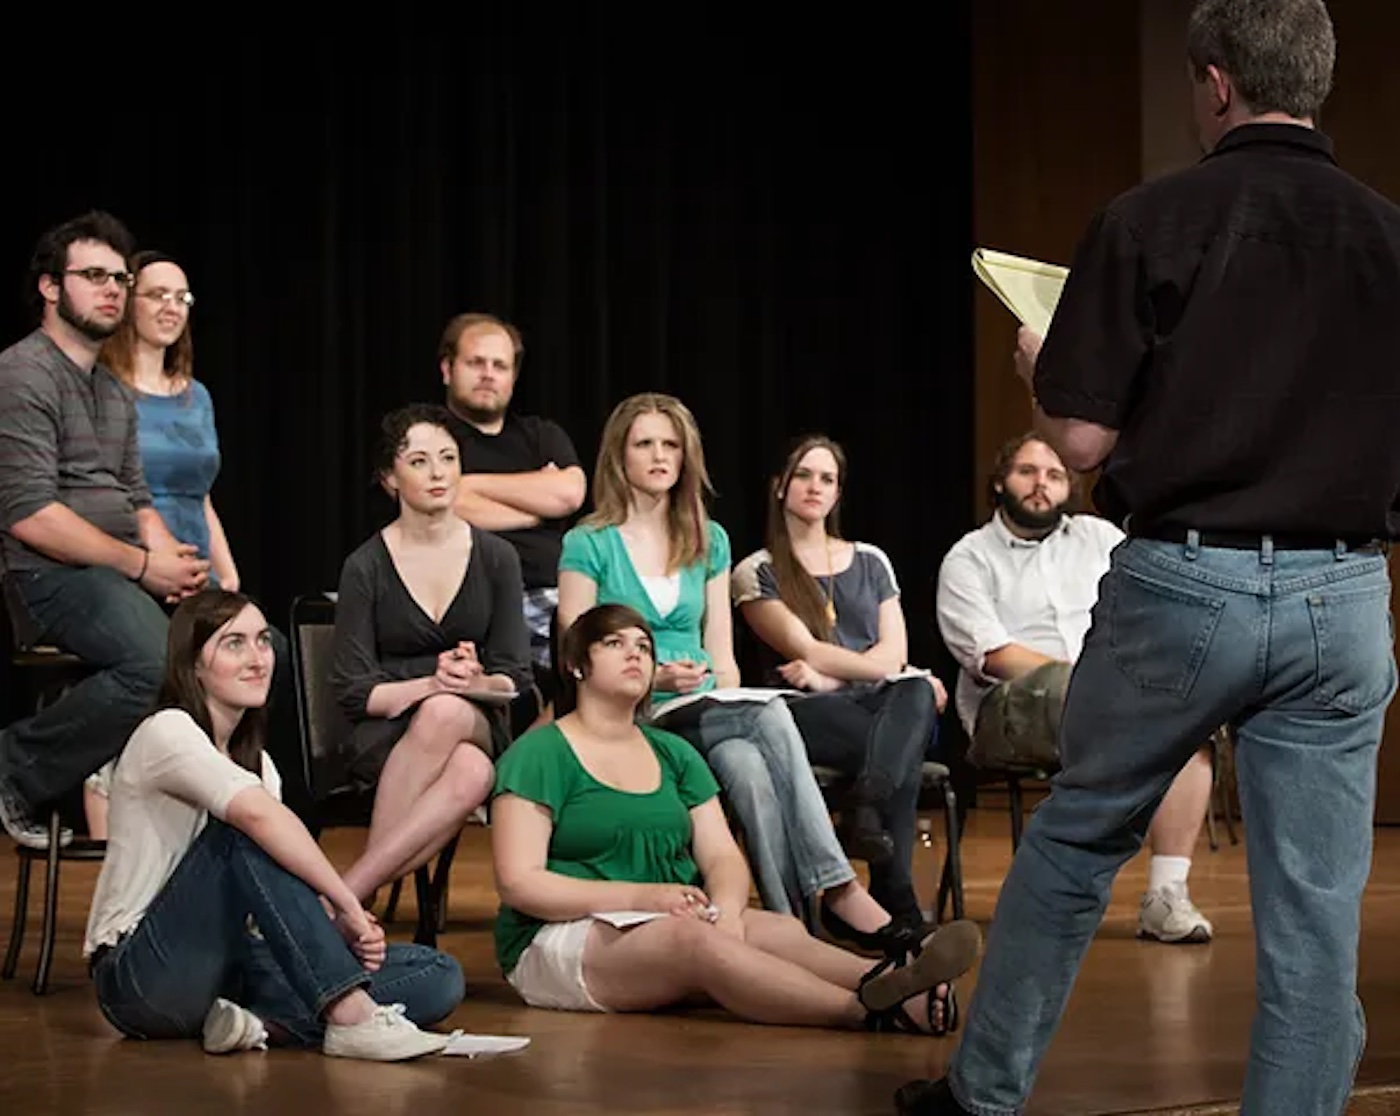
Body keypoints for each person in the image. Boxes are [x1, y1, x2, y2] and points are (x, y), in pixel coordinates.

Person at [902, 3, 1400, 1113]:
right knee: (1315, 913)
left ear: (1215, 82)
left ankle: (980, 1099)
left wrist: (1042, 367)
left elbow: (1078, 443)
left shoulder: (1149, 219)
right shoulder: (1389, 237)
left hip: (1184, 581)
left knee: (1075, 842)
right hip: (1341, 590)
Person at [491, 601, 980, 1030]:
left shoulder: (672, 752)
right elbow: (520, 883)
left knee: (779, 931)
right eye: (614, 644)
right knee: (691, 941)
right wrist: (642, 897)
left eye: (644, 646)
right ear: (576, 664)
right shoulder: (540, 754)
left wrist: (726, 913)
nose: (635, 654)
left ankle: (892, 979)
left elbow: (722, 855)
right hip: (560, 934)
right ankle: (863, 1011)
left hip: (661, 916)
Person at [557, 393, 909, 951]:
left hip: (702, 708)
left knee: (746, 763)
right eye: (645, 444)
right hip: (634, 708)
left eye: (671, 445)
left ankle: (791, 924)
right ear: (619, 456)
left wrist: (721, 693)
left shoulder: (708, 539)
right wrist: (653, 679)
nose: (659, 456)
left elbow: (722, 656)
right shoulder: (588, 542)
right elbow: (575, 650)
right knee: (768, 715)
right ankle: (839, 888)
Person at [85, 589, 460, 1060]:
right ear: (193, 664)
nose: (257, 658)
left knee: (436, 974)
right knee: (247, 830)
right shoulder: (167, 730)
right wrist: (346, 903)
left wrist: (329, 929)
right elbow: (257, 821)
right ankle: (349, 1017)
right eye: (234, 643)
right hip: (142, 976)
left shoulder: (260, 765)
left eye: (263, 641)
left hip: (228, 967)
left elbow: (268, 890)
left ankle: (259, 1025)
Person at [936, 432, 1215, 945]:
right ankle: (1060, 884)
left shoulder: (1099, 539)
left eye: (1054, 474)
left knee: (1190, 717)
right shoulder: (969, 557)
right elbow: (994, 656)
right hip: (1010, 710)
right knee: (1092, 697)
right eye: (1027, 471)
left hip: (1105, 696)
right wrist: (1095, 680)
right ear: (999, 483)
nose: (1041, 484)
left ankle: (1165, 895)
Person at [0, 212, 207, 850]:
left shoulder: (111, 391)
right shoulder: (22, 373)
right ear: (50, 287)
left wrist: (171, 565)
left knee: (243, 649)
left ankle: (196, 841)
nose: (112, 289)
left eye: (119, 278)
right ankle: (12, 767)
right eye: (94, 276)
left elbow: (137, 499)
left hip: (116, 575)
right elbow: (31, 514)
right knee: (156, 665)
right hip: (47, 576)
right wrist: (142, 565)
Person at [89, 250, 308, 839]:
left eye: (181, 297)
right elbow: (110, 491)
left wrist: (226, 574)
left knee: (273, 653)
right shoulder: (104, 390)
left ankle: (239, 803)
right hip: (133, 567)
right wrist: (155, 565)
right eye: (157, 294)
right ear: (128, 303)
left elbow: (200, 492)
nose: (171, 307)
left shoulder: (196, 395)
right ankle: (118, 778)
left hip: (194, 572)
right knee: (178, 664)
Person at [733, 435, 949, 943]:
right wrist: (833, 678)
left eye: (827, 479)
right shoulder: (755, 570)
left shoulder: (871, 560)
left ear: (838, 493)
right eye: (804, 476)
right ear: (780, 487)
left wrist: (835, 676)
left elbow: (894, 653)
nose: (815, 487)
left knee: (914, 695)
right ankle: (895, 896)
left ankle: (867, 808)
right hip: (802, 713)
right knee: (903, 736)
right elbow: (805, 647)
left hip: (875, 701)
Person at [331, 404, 533, 905]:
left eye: (448, 458)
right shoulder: (364, 566)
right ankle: (358, 899)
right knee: (471, 773)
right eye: (419, 461)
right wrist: (431, 684)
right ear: (390, 478)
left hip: (477, 718)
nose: (438, 472)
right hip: (388, 729)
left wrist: (471, 684)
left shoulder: (497, 558)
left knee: (446, 713)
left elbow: (515, 676)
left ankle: (351, 898)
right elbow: (355, 692)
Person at [440, 312, 586, 713]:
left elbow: (569, 494)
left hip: (561, 592)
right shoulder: (430, 434)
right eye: (476, 363)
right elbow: (441, 500)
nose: (488, 374)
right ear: (447, 369)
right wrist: (535, 508)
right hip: (479, 600)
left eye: (500, 365)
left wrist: (471, 484)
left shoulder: (542, 435)